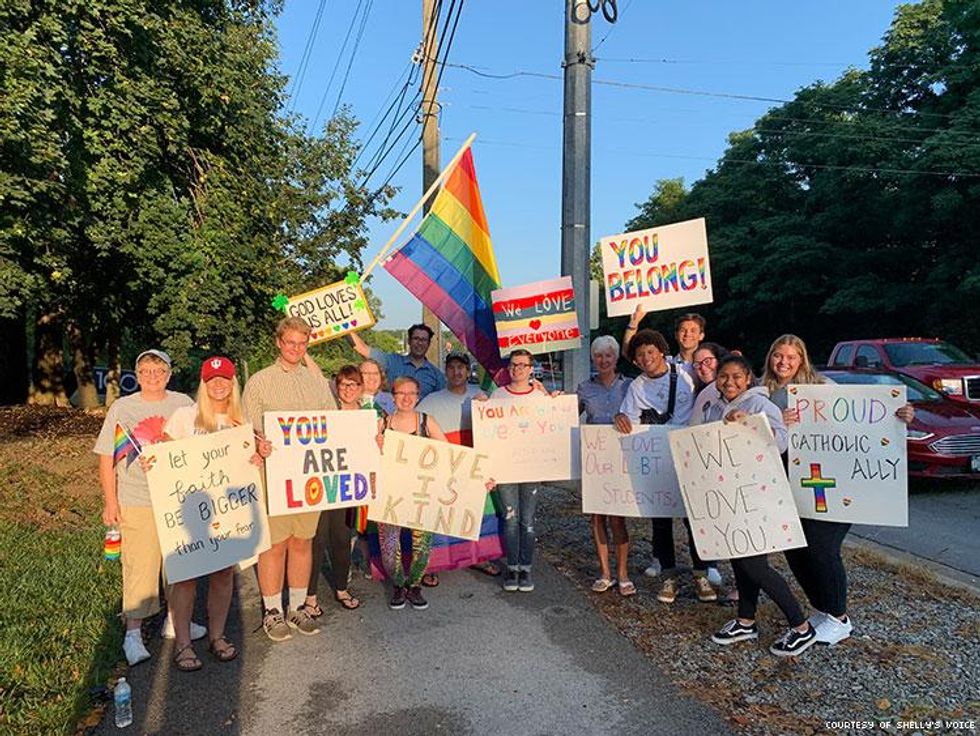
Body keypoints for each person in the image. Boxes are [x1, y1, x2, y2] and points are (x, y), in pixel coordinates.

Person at [762, 334, 913, 646]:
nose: (783, 362)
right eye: (778, 355)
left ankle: (840, 618)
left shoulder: (823, 388)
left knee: (822, 547)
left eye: (791, 356)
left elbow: (859, 422)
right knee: (796, 549)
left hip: (835, 483)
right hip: (790, 485)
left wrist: (897, 415)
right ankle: (823, 609)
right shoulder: (762, 392)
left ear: (802, 359)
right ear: (770, 357)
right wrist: (774, 423)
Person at [159, 356, 268, 670]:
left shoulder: (241, 422)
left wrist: (259, 457)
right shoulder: (185, 416)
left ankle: (217, 636)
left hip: (226, 512)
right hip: (188, 511)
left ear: (233, 383)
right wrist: (152, 461)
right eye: (212, 379)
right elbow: (163, 453)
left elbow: (251, 461)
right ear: (203, 383)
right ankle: (183, 644)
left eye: (225, 379)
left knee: (223, 574)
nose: (219, 385)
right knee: (186, 578)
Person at [705, 354, 818, 657]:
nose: (729, 382)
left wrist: (748, 424)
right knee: (739, 560)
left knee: (755, 565)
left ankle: (801, 627)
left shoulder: (760, 404)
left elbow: (780, 442)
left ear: (748, 379)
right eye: (723, 376)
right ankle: (745, 620)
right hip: (729, 493)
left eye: (736, 376)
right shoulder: (714, 406)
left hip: (755, 495)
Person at [93, 349, 196, 666]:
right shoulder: (123, 408)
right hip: (138, 499)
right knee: (140, 566)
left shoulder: (184, 404)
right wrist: (111, 501)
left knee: (180, 564)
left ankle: (176, 620)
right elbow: (107, 456)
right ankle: (133, 633)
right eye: (146, 371)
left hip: (178, 498)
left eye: (159, 371)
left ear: (169, 374)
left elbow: (200, 444)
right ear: (137, 376)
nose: (153, 377)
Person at [243, 316, 337, 641]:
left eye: (302, 343)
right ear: (279, 342)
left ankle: (297, 607)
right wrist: (258, 442)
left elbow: (333, 424)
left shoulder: (316, 382)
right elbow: (249, 429)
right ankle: (272, 611)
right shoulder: (260, 382)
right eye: (290, 342)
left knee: (302, 541)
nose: (296, 348)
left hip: (308, 476)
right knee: (275, 544)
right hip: (274, 476)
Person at [613, 330, 713, 604]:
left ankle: (702, 572)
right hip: (657, 457)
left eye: (650, 351)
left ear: (661, 351)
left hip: (688, 455)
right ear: (635, 360)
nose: (646, 358)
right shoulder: (637, 387)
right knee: (661, 520)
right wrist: (621, 417)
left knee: (693, 519)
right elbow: (629, 419)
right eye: (640, 354)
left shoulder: (685, 374)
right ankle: (669, 574)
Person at [417, 352, 504, 579]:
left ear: (467, 371)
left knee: (480, 512)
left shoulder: (481, 395)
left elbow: (505, 420)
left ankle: (481, 558)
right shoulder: (430, 401)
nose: (456, 372)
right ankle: (432, 565)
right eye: (452, 367)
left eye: (461, 368)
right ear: (445, 371)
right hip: (443, 465)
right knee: (440, 515)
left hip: (475, 465)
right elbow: (415, 429)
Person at [492, 349, 563, 593]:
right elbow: (487, 430)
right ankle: (512, 567)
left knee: (528, 521)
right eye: (513, 364)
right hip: (506, 468)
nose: (517, 369)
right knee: (510, 519)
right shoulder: (498, 396)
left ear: (531, 369)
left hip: (532, 468)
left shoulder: (540, 396)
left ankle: (526, 567)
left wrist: (557, 403)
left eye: (522, 365)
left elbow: (553, 427)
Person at [377, 376, 448, 610]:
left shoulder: (427, 421)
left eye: (411, 393)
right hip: (391, 493)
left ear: (418, 396)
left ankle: (415, 585)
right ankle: (399, 584)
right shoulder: (382, 423)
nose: (406, 398)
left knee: (422, 544)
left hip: (421, 493)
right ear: (393, 396)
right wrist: (377, 445)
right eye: (401, 393)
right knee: (389, 545)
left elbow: (449, 453)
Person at [303, 364, 366, 617]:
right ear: (336, 386)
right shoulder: (326, 409)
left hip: (348, 486)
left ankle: (342, 588)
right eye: (343, 384)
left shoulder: (369, 414)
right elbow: (317, 376)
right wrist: (306, 354)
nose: (348, 389)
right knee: (317, 540)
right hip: (320, 483)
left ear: (361, 388)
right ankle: (310, 596)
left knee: (341, 538)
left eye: (353, 384)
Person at [577, 335, 634, 595]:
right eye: (598, 356)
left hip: (622, 460)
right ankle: (605, 573)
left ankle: (622, 573)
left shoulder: (630, 386)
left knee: (618, 518)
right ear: (593, 358)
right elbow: (564, 415)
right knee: (597, 517)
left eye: (608, 355)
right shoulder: (584, 388)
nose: (603, 360)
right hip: (595, 461)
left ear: (616, 357)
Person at [349, 323, 445, 400]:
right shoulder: (392, 361)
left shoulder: (436, 375)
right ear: (409, 341)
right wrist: (343, 325)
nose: (419, 343)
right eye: (416, 338)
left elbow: (441, 402)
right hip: (391, 416)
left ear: (429, 343)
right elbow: (362, 348)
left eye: (424, 340)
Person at [622, 306, 705, 382]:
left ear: (701, 336)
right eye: (683, 330)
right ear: (676, 335)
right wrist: (633, 323)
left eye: (693, 331)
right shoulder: (667, 365)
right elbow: (628, 352)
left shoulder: (709, 363)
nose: (687, 334)